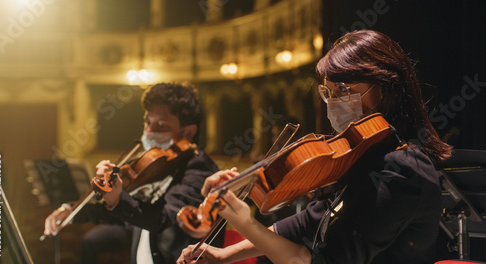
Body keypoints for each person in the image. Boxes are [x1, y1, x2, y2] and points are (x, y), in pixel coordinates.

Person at [177, 30, 452, 264]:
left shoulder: (403, 168)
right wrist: (225, 255)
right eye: (328, 92)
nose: (334, 102)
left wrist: (246, 223)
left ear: (385, 88)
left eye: (343, 89)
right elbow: (304, 224)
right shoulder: (361, 154)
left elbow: (317, 260)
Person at [44, 82, 223, 264]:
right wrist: (71, 212)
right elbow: (129, 215)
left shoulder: (200, 170)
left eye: (160, 126)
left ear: (187, 132)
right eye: (147, 123)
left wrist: (117, 199)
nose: (149, 132)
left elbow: (163, 219)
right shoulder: (161, 166)